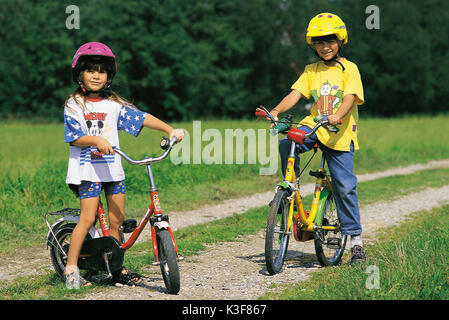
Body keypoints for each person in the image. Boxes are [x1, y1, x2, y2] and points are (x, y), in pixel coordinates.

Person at [63, 42, 184, 288]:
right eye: (90, 70)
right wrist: (96, 139)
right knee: (87, 219)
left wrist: (169, 129)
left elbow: (142, 118)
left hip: (112, 170)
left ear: (109, 76)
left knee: (117, 221)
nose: (96, 75)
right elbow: (74, 136)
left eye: (102, 71)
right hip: (88, 171)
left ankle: (116, 268)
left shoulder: (113, 105)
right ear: (80, 75)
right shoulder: (74, 104)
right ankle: (71, 267)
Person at [257, 13, 366, 264]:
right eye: (319, 42)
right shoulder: (311, 70)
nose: (325, 47)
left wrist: (338, 115)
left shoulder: (350, 69)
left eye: (330, 41)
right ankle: (290, 192)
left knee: (345, 186)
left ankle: (356, 241)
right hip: (314, 126)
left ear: (340, 41)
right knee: (287, 142)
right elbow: (296, 93)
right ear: (313, 45)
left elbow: (350, 97)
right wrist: (275, 111)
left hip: (339, 135)